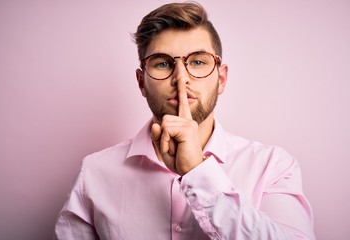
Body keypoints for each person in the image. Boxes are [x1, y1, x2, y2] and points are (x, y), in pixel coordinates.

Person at [54, 2, 316, 239]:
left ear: (221, 78)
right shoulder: (94, 173)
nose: (181, 78)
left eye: (198, 62)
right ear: (141, 82)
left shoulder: (272, 166)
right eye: (163, 64)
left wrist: (197, 172)